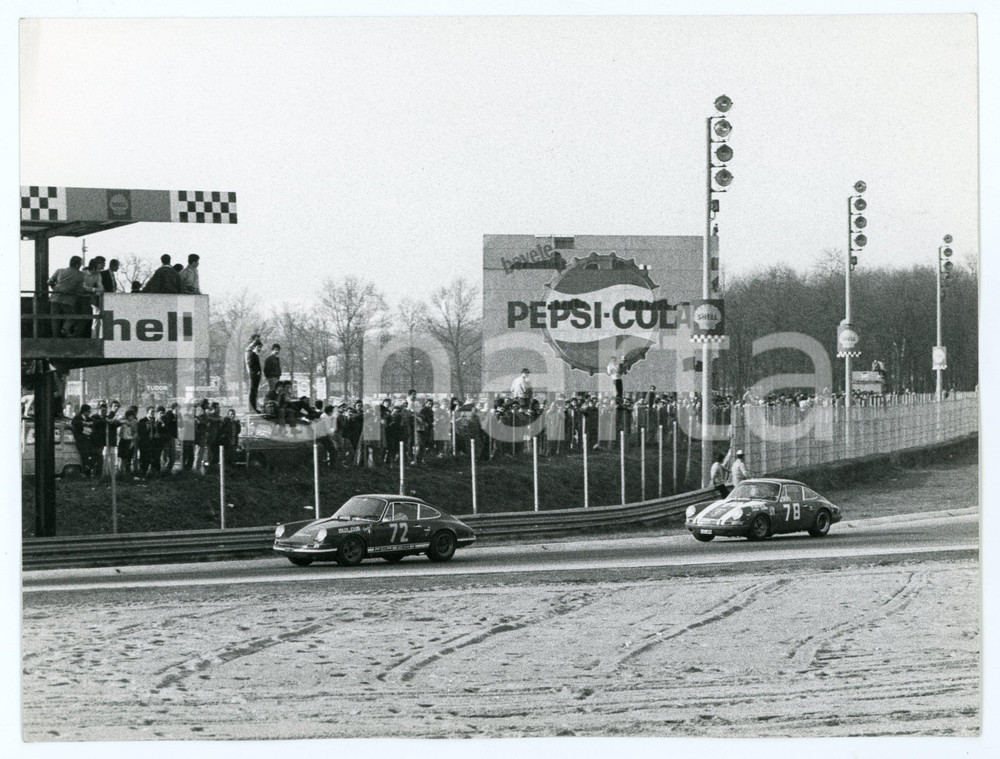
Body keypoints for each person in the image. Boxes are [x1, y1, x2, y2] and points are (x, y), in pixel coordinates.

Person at [47, 255, 85, 337]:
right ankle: (65, 330)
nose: (81, 266)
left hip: (54, 298)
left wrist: (55, 289)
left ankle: (55, 338)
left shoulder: (60, 271)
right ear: (77, 264)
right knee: (71, 316)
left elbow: (49, 281)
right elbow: (80, 289)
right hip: (68, 299)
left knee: (55, 319)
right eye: (80, 264)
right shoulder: (80, 275)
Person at [70, 404, 95, 476]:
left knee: (96, 453)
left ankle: (87, 468)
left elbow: (94, 423)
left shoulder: (89, 419)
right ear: (84, 411)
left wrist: (91, 424)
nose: (89, 413)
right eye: (88, 412)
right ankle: (86, 472)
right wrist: (83, 423)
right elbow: (73, 423)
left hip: (88, 439)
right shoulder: (77, 418)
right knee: (85, 455)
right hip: (80, 440)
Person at [136, 406, 162, 476]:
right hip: (145, 443)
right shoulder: (142, 421)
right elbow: (140, 432)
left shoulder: (155, 421)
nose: (153, 413)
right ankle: (143, 473)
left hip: (153, 443)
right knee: (144, 458)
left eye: (154, 412)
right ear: (147, 412)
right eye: (151, 411)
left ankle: (153, 473)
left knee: (154, 458)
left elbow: (158, 431)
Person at [245, 335, 263, 412]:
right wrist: (256, 371)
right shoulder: (250, 352)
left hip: (255, 374)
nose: (259, 349)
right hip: (253, 374)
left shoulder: (254, 353)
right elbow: (250, 364)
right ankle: (252, 408)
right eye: (257, 346)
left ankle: (254, 407)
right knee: (252, 391)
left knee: (254, 391)